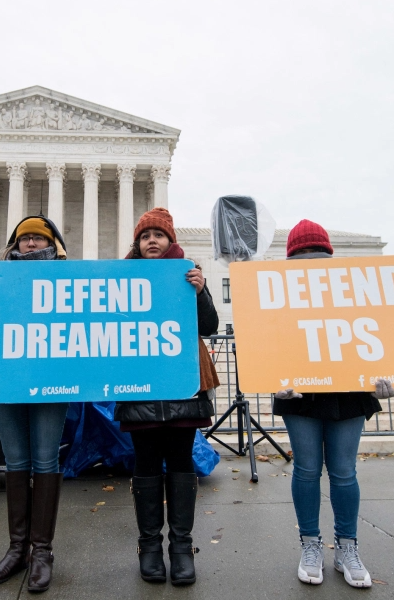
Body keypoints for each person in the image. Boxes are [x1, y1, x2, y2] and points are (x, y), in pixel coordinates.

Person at [271, 219, 394, 589]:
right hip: (299, 392)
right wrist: (273, 382)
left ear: (330, 257)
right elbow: (273, 344)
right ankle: (310, 545)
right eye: (303, 256)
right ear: (291, 260)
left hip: (347, 393)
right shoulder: (281, 298)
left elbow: (378, 333)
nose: (311, 261)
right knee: (307, 470)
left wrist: (386, 380)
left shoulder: (352, 292)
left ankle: (347, 548)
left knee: (344, 472)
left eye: (317, 255)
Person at [114, 207, 220, 586]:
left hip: (182, 388)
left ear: (170, 241)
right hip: (139, 386)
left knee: (179, 462)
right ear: (138, 244)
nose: (152, 241)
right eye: (145, 236)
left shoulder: (187, 274)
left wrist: (201, 289)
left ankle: (181, 548)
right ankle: (149, 548)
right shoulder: (121, 278)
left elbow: (208, 326)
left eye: (158, 235)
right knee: (144, 464)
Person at [0, 215, 68, 593]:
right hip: (9, 379)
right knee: (16, 463)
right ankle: (18, 550)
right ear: (15, 244)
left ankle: (41, 551)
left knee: (45, 460)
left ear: (51, 245)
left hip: (51, 381)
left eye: (38, 239)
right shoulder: (1, 276)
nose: (30, 244)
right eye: (24, 239)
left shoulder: (67, 278)